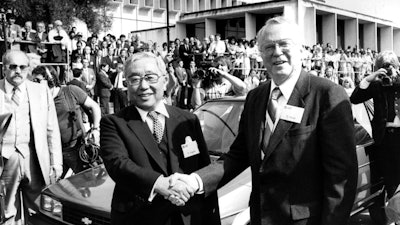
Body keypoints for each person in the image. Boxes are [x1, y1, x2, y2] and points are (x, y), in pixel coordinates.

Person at [171, 16, 358, 225]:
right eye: (269, 46)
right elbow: (238, 155)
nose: (276, 52)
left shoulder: (327, 94)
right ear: (260, 54)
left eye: (284, 44)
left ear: (300, 50)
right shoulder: (255, 97)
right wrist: (196, 180)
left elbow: (341, 177)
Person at [99, 52, 220, 225]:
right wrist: (160, 184)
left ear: (165, 80)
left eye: (150, 77)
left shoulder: (187, 119)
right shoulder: (114, 123)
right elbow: (118, 164)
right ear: (126, 85)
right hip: (140, 218)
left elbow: (203, 166)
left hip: (187, 217)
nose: (143, 85)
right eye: (134, 79)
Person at [0, 50, 63, 224]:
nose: (18, 71)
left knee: (40, 211)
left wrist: (56, 162)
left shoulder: (41, 91)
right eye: (12, 67)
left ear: (28, 68)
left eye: (22, 67)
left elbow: (52, 130)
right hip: (5, 161)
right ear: (4, 68)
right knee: (7, 212)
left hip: (35, 159)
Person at [32, 65, 101, 178]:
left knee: (89, 183)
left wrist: (96, 129)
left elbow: (94, 107)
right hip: (53, 153)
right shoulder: (36, 100)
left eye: (38, 80)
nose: (34, 84)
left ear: (50, 79)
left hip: (76, 148)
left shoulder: (70, 91)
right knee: (53, 189)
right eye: (33, 81)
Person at [350, 51, 400, 205]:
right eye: (385, 68)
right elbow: (355, 98)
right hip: (385, 139)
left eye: (392, 67)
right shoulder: (377, 84)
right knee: (391, 181)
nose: (389, 71)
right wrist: (369, 78)